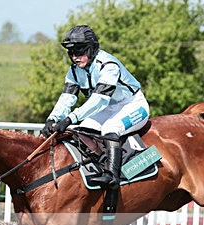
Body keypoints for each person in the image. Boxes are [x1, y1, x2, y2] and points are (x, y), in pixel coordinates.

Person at [40, 25, 150, 189]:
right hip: (107, 109)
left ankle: (112, 176)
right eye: (71, 53)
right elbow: (67, 98)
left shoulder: (108, 65)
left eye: (79, 52)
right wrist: (53, 118)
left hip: (133, 105)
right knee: (82, 131)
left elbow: (99, 100)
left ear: (91, 49)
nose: (75, 57)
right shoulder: (74, 71)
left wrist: (70, 118)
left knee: (110, 128)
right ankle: (103, 163)